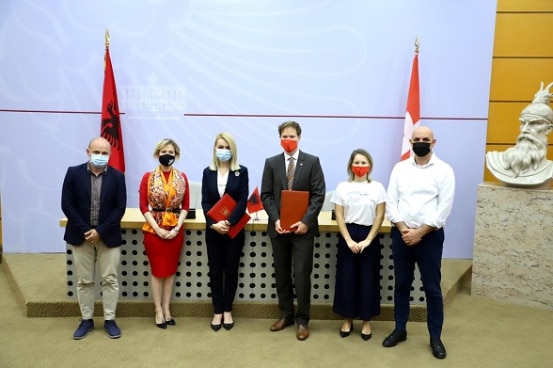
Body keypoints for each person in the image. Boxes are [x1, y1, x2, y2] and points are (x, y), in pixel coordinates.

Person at [383, 126, 455, 360]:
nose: (421, 142)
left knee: (432, 288)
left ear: (434, 142)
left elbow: (443, 209)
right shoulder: (399, 168)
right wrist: (404, 229)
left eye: (426, 139)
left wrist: (420, 233)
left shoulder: (444, 171)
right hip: (401, 234)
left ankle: (435, 336)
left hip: (430, 237)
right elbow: (391, 202)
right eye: (417, 139)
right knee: (402, 284)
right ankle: (400, 329)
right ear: (411, 141)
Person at [261, 120, 325, 341]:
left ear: (299, 137)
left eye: (292, 136)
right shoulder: (271, 163)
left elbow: (318, 195)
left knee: (301, 275)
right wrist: (276, 218)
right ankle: (286, 315)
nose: (288, 140)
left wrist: (306, 221)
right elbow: (266, 195)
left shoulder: (312, 162)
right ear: (280, 138)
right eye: (284, 136)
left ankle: (303, 320)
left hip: (303, 231)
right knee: (282, 274)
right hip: (279, 229)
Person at [61, 137, 127, 340]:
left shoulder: (117, 176)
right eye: (96, 151)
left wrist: (101, 231)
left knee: (110, 280)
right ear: (88, 151)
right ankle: (86, 320)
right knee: (85, 281)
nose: (100, 156)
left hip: (108, 236)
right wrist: (86, 230)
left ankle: (109, 320)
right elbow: (67, 204)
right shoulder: (73, 173)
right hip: (80, 236)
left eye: (104, 153)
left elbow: (119, 208)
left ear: (110, 154)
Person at [330, 149, 386, 341]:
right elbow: (338, 215)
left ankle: (366, 321)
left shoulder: (377, 187)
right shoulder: (342, 187)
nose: (360, 166)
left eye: (364, 163)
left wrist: (368, 240)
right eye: (357, 162)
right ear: (350, 166)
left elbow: (380, 215)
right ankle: (347, 319)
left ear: (369, 166)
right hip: (348, 236)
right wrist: (348, 240)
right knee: (347, 280)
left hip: (369, 236)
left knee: (368, 279)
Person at [139, 139, 190, 329]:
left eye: (171, 151)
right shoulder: (148, 177)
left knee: (169, 272)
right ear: (157, 154)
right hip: (154, 229)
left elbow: (185, 206)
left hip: (175, 229)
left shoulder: (182, 177)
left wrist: (176, 228)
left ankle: (167, 308)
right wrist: (158, 229)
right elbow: (143, 206)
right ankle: (157, 310)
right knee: (157, 271)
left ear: (176, 155)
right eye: (163, 151)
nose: (167, 154)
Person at [201, 132, 249, 331]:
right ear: (214, 149)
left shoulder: (241, 171)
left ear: (233, 150)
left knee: (231, 271)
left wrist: (228, 221)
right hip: (213, 231)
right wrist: (214, 223)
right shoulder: (208, 172)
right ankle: (217, 311)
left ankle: (228, 310)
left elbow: (242, 200)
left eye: (227, 147)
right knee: (214, 272)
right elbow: (205, 201)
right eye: (220, 147)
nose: (223, 151)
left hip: (234, 230)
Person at [486, 81, 553, 188]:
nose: (525, 129)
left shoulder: (550, 170)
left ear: (548, 129)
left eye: (534, 124)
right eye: (523, 123)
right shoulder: (495, 160)